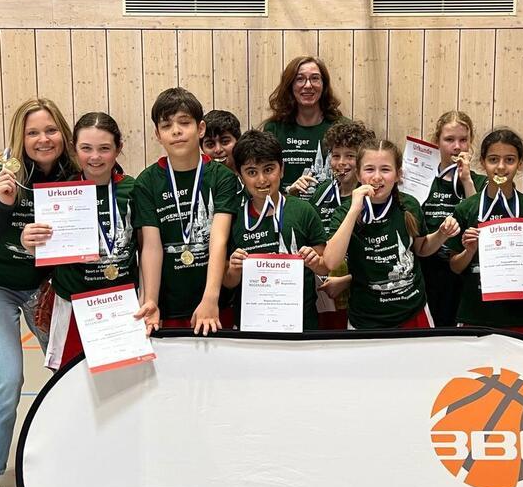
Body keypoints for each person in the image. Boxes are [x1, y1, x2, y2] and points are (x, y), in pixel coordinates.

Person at [0, 97, 78, 487]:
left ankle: (75, 455)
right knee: (6, 377)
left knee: (71, 369)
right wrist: (6, 205)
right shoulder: (2, 174)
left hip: (42, 287)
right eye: (33, 133)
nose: (43, 139)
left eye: (50, 130)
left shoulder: (73, 176)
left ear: (62, 135)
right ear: (21, 139)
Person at [21, 113, 137, 371]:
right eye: (86, 148)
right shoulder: (59, 192)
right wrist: (30, 241)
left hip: (122, 305)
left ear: (119, 148)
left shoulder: (133, 190)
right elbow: (42, 244)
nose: (95, 157)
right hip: (73, 306)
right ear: (75, 149)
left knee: (126, 383)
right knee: (70, 384)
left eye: (104, 148)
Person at [131, 88, 240, 335]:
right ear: (157, 134)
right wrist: (152, 301)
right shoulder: (147, 182)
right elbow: (150, 246)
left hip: (214, 303)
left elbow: (219, 239)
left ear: (200, 129)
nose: (176, 131)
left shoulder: (221, 177)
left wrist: (211, 298)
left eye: (184, 123)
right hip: (169, 305)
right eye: (167, 126)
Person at [322, 139, 460, 329]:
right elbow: (330, 261)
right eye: (369, 169)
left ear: (398, 175)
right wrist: (354, 210)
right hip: (366, 319)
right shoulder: (345, 212)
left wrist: (441, 234)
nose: (377, 177)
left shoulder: (409, 205)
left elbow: (421, 248)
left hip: (412, 312)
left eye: (385, 170)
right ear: (359, 174)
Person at [447, 128, 523, 334]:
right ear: (483, 162)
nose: (501, 167)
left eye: (510, 160)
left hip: (520, 314)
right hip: (475, 314)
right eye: (493, 159)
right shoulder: (467, 209)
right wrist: (468, 251)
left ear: (520, 164)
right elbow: (455, 267)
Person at [222, 131, 328, 330]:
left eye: (268, 169)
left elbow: (324, 267)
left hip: (301, 324)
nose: (262, 180)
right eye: (252, 172)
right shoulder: (233, 218)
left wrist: (315, 261)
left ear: (281, 169)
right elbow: (228, 282)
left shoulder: (303, 210)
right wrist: (235, 269)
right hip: (251, 324)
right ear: (240, 175)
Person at [420, 111, 487, 327]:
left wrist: (466, 179)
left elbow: (480, 220)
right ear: (436, 142)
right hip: (427, 266)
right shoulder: (423, 180)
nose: (457, 147)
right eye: (449, 140)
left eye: (463, 140)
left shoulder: (479, 182)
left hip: (462, 267)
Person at [309, 121, 375, 329]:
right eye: (336, 155)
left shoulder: (371, 200)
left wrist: (347, 280)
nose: (342, 162)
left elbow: (378, 256)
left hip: (358, 292)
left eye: (350, 155)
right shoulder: (321, 194)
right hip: (323, 290)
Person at [262, 56, 350, 202]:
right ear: (290, 85)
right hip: (287, 209)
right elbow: (264, 177)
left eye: (315, 78)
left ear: (324, 85)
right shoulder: (274, 128)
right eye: (300, 79)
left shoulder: (343, 127)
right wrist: (289, 193)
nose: (308, 85)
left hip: (333, 212)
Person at [200, 109, 242, 173]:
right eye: (210, 145)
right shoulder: (198, 179)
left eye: (225, 142)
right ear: (202, 148)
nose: (218, 150)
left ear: (238, 141)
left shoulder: (252, 175)